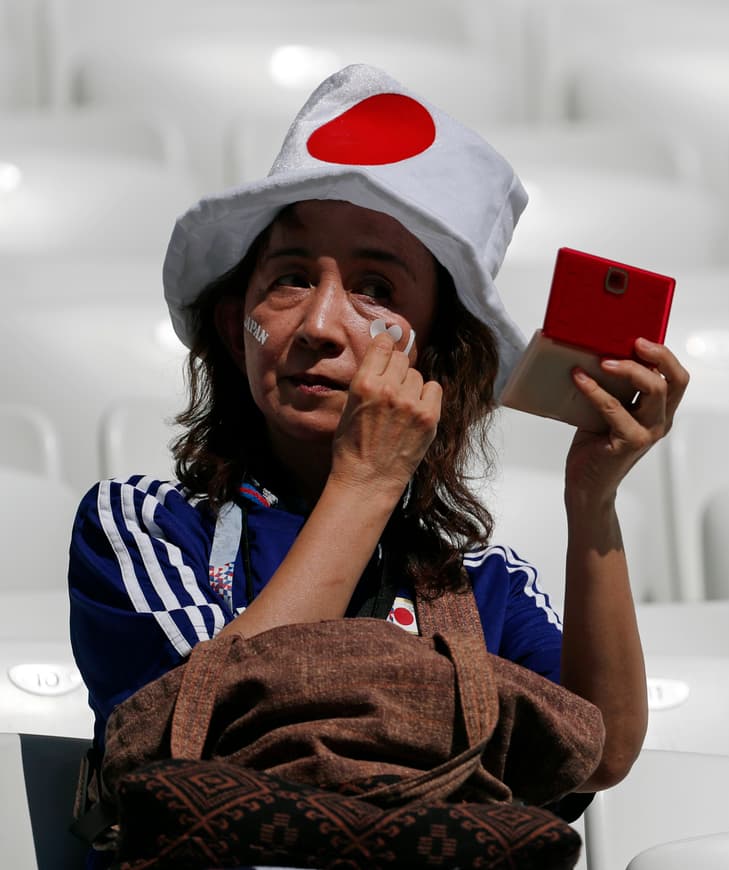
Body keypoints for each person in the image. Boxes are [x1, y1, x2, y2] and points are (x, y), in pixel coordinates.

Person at [67, 63, 688, 856]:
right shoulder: (144, 526)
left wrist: (592, 501)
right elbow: (202, 728)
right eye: (290, 278)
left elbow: (600, 752)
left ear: (438, 358)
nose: (321, 324)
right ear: (235, 327)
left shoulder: (481, 588)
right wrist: (368, 479)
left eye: (374, 288)